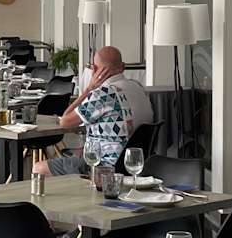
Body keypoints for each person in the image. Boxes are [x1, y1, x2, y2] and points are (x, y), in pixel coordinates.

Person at [32, 46, 152, 177]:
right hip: (134, 163)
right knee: (77, 153)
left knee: (39, 168)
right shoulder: (139, 88)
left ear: (94, 69)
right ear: (122, 67)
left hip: (103, 167)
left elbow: (65, 122)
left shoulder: (104, 94)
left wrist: (89, 88)